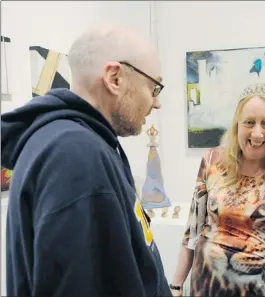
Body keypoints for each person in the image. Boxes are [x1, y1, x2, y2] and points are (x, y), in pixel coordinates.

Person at [1, 24, 172, 297]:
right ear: (115, 78)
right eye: (154, 88)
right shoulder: (75, 155)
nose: (156, 103)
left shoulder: (77, 142)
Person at [169, 83, 265, 297]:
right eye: (249, 122)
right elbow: (192, 231)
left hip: (264, 290)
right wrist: (176, 285)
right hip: (207, 286)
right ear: (237, 125)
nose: (257, 134)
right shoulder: (212, 160)